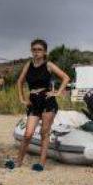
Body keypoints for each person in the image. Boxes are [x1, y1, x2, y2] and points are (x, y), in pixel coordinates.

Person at [9, 39, 70, 171]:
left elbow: (65, 78)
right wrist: (22, 98)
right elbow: (19, 82)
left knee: (44, 132)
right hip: (33, 102)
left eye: (39, 50)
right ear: (31, 51)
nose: (36, 52)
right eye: (34, 49)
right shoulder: (28, 65)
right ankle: (18, 161)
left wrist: (57, 93)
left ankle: (41, 163)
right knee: (28, 134)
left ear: (45, 52)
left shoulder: (49, 65)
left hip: (47, 101)